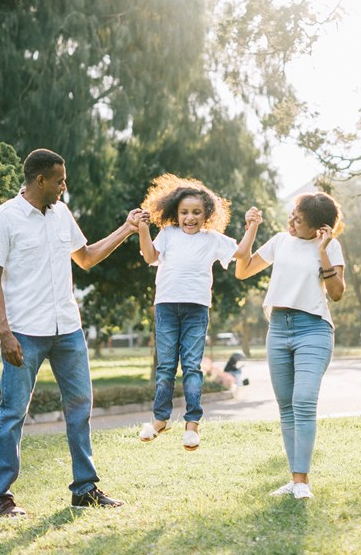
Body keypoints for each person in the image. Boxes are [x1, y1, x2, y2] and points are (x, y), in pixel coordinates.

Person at [0, 148, 142, 517]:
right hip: (24, 332)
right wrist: (4, 332)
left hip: (68, 330)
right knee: (13, 413)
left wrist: (126, 228)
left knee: (80, 407)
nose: (64, 186)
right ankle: (0, 495)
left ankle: (84, 489)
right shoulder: (5, 218)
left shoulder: (61, 214)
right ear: (40, 180)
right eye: (60, 180)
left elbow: (85, 257)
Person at [136, 173, 261, 450]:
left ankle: (192, 426)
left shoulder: (212, 239)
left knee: (192, 366)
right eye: (184, 212)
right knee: (166, 366)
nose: (189, 218)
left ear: (207, 215)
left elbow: (241, 253)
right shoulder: (168, 234)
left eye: (196, 213)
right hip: (167, 307)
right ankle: (160, 420)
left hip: (196, 309)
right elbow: (150, 257)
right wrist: (143, 229)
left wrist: (251, 226)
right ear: (175, 213)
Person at [235, 192, 345, 500]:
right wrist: (251, 229)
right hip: (279, 329)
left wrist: (322, 251)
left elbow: (337, 293)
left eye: (299, 220)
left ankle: (302, 483)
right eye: (292, 216)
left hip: (314, 329)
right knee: (287, 408)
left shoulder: (331, 246)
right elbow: (242, 271)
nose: (291, 222)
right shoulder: (280, 241)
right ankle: (295, 480)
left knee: (304, 400)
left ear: (319, 227)